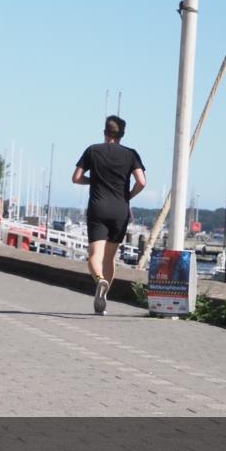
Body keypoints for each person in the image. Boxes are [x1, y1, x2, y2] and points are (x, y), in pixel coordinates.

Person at [72, 115, 146, 315]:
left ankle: (99, 280)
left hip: (98, 207)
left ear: (105, 132)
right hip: (120, 209)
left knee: (95, 256)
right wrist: (128, 195)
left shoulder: (92, 150)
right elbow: (142, 182)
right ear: (122, 134)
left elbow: (76, 178)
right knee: (110, 257)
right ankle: (103, 298)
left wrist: (93, 180)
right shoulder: (131, 154)